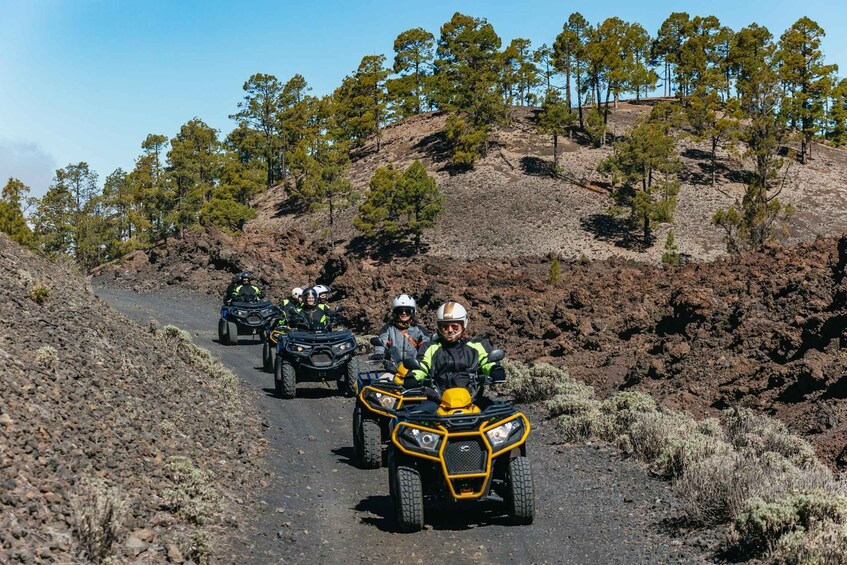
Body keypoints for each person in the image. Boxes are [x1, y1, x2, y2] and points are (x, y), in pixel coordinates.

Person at [408, 301, 506, 409]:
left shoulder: (476, 346)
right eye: (445, 326)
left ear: (463, 325)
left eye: (454, 326)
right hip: (438, 400)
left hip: (472, 399)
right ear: (439, 327)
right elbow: (422, 365)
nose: (450, 330)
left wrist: (495, 369)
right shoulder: (430, 347)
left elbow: (487, 360)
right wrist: (414, 377)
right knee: (414, 420)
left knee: (502, 416)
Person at [373, 294, 427, 364]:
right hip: (392, 367)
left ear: (413, 312)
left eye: (407, 311)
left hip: (414, 368)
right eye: (400, 310)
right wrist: (379, 354)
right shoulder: (388, 329)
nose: (404, 313)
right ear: (395, 312)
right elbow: (382, 343)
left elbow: (426, 348)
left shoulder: (420, 331)